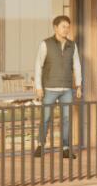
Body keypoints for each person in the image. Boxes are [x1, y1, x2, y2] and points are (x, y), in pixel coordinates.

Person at [36, 13, 87, 159]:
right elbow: (38, 66)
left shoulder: (73, 45)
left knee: (66, 119)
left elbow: (77, 65)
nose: (66, 29)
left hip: (67, 90)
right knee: (45, 118)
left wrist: (78, 85)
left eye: (68, 27)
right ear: (55, 27)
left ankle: (65, 148)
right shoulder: (45, 44)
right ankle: (40, 145)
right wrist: (39, 87)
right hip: (50, 88)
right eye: (63, 26)